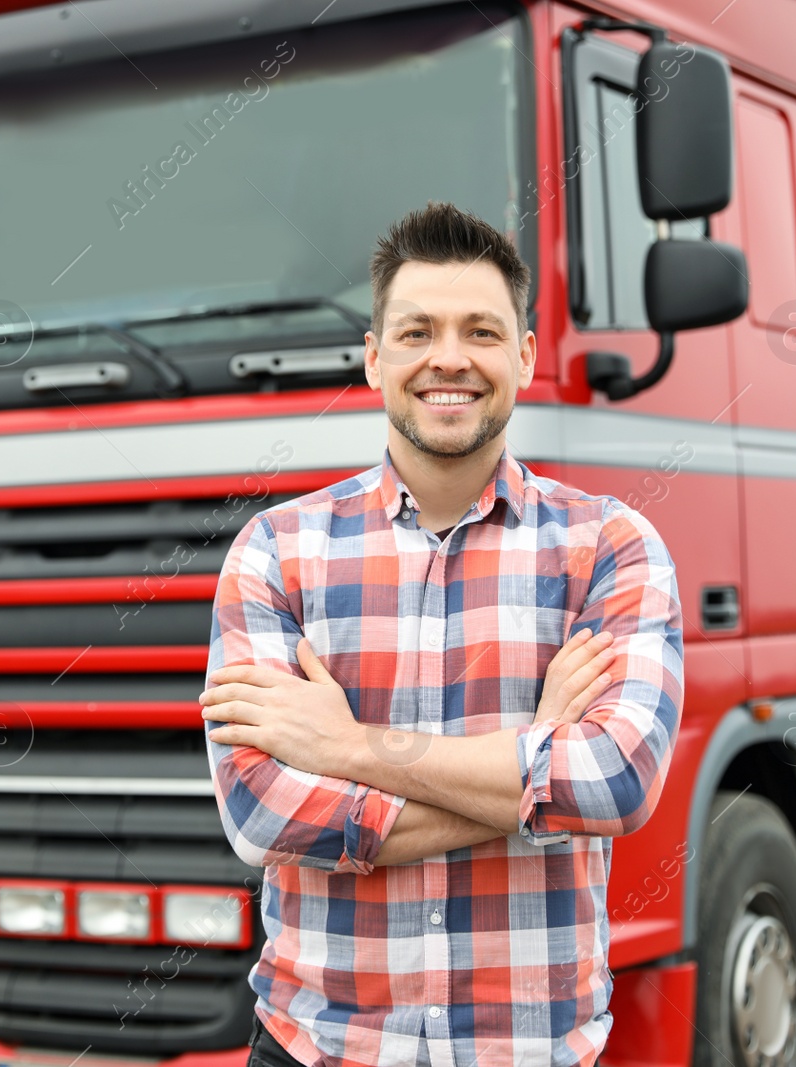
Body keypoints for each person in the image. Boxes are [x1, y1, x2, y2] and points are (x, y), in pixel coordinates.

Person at [200, 202, 685, 1067]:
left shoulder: (611, 547)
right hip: (317, 1045)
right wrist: (533, 761)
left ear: (526, 355)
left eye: (482, 331)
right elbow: (258, 813)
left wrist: (348, 747)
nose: (449, 358)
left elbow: (615, 784)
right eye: (418, 330)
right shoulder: (275, 552)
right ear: (375, 357)